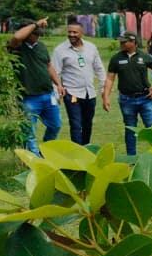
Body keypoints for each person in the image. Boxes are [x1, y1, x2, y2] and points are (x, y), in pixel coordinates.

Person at [6, 18, 65, 156]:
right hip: (29, 97)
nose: (38, 36)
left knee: (55, 125)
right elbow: (16, 36)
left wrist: (58, 84)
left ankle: (46, 152)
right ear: (26, 33)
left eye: (39, 33)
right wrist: (36, 24)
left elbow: (48, 65)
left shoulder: (41, 46)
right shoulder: (17, 47)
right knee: (29, 131)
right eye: (35, 33)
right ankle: (33, 159)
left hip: (48, 94)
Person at [102, 31, 152, 157]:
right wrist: (106, 96)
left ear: (133, 42)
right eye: (121, 41)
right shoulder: (116, 58)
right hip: (126, 100)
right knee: (130, 129)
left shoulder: (144, 56)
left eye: (124, 41)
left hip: (145, 98)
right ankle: (131, 158)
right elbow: (110, 79)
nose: (121, 43)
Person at [51, 17, 107, 145]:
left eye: (75, 32)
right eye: (69, 32)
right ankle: (77, 154)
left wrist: (103, 87)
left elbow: (99, 68)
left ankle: (86, 149)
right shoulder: (60, 50)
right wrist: (56, 93)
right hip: (72, 94)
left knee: (88, 123)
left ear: (82, 33)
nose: (72, 35)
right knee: (76, 124)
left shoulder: (91, 47)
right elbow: (55, 72)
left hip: (90, 93)